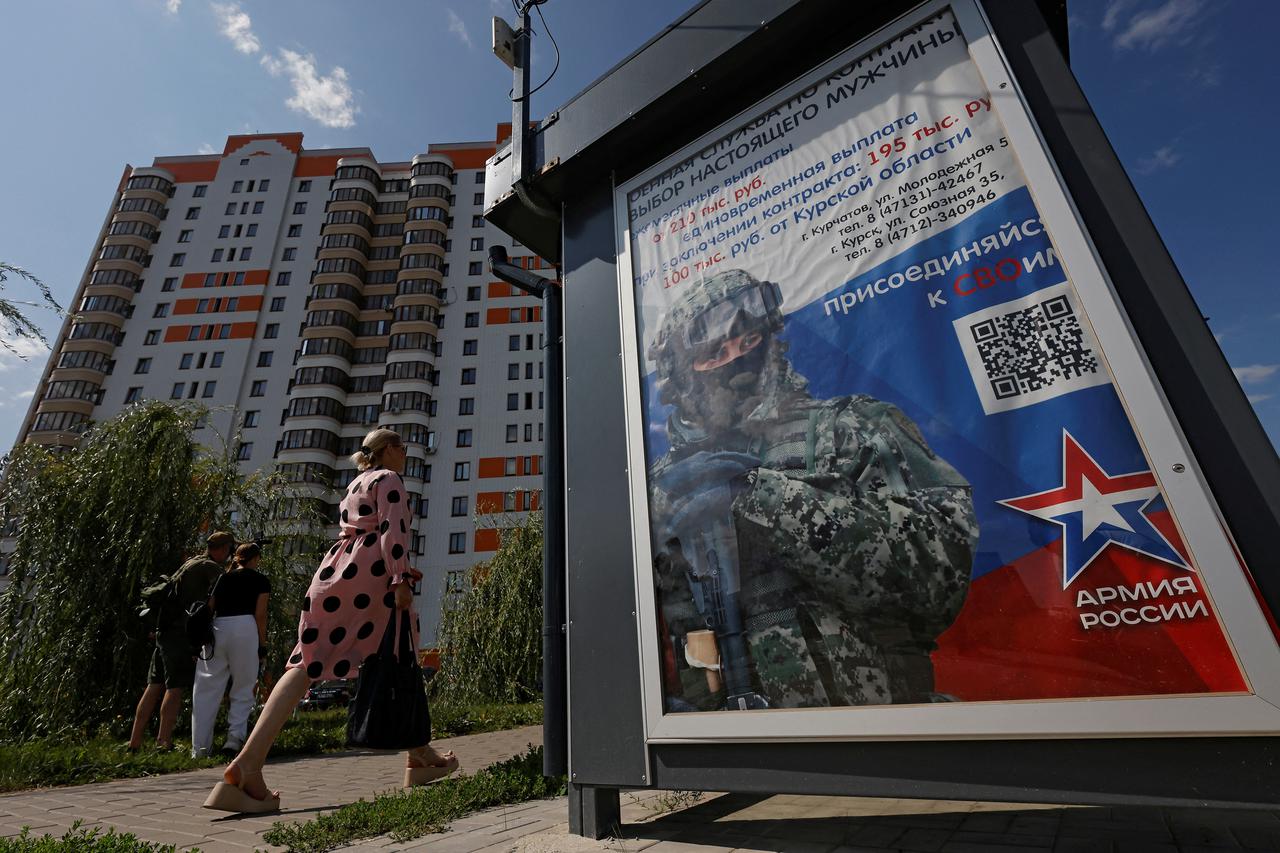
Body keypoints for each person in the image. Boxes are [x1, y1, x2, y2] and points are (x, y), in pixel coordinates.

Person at [647, 269, 979, 711]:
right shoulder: (662, 484)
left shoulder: (851, 427)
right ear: (683, 375)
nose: (738, 362)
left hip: (877, 733)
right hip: (726, 746)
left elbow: (939, 575)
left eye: (748, 342)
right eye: (714, 354)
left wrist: (764, 499)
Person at [202, 428, 458, 814]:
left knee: (312, 662)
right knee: (399, 655)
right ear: (389, 450)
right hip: (373, 577)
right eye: (403, 448)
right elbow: (394, 532)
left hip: (336, 572)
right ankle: (245, 768)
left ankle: (419, 754)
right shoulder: (388, 479)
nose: (406, 455)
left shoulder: (357, 482)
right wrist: (401, 578)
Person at [127, 531, 233, 751]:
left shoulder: (192, 562)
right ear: (223, 548)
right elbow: (229, 584)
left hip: (164, 632)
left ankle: (135, 742)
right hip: (177, 635)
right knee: (174, 688)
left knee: (153, 686)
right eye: (229, 550)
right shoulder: (209, 567)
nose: (229, 555)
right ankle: (163, 743)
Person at [190, 542, 271, 758]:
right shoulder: (260, 580)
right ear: (255, 559)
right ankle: (234, 740)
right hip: (245, 628)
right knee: (243, 686)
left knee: (206, 688)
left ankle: (199, 748)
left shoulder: (222, 578)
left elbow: (210, 607)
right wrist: (262, 645)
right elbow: (260, 615)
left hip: (219, 627)